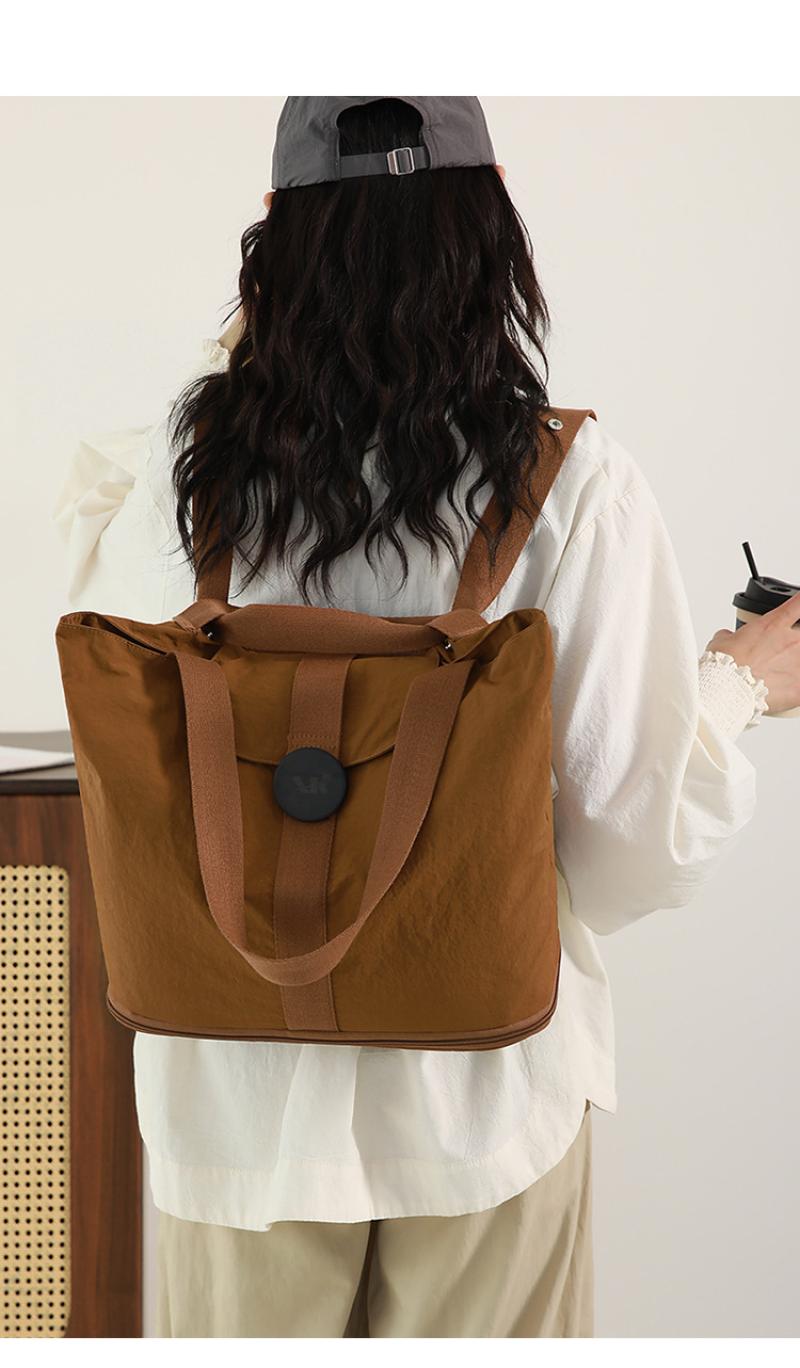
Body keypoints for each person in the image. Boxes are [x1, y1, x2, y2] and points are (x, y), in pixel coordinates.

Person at [52, 97, 800, 1339]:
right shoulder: (567, 482)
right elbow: (628, 837)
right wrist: (738, 682)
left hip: (231, 1097)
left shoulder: (178, 474)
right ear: (486, 232)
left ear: (274, 231)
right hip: (480, 1100)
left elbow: (142, 747)